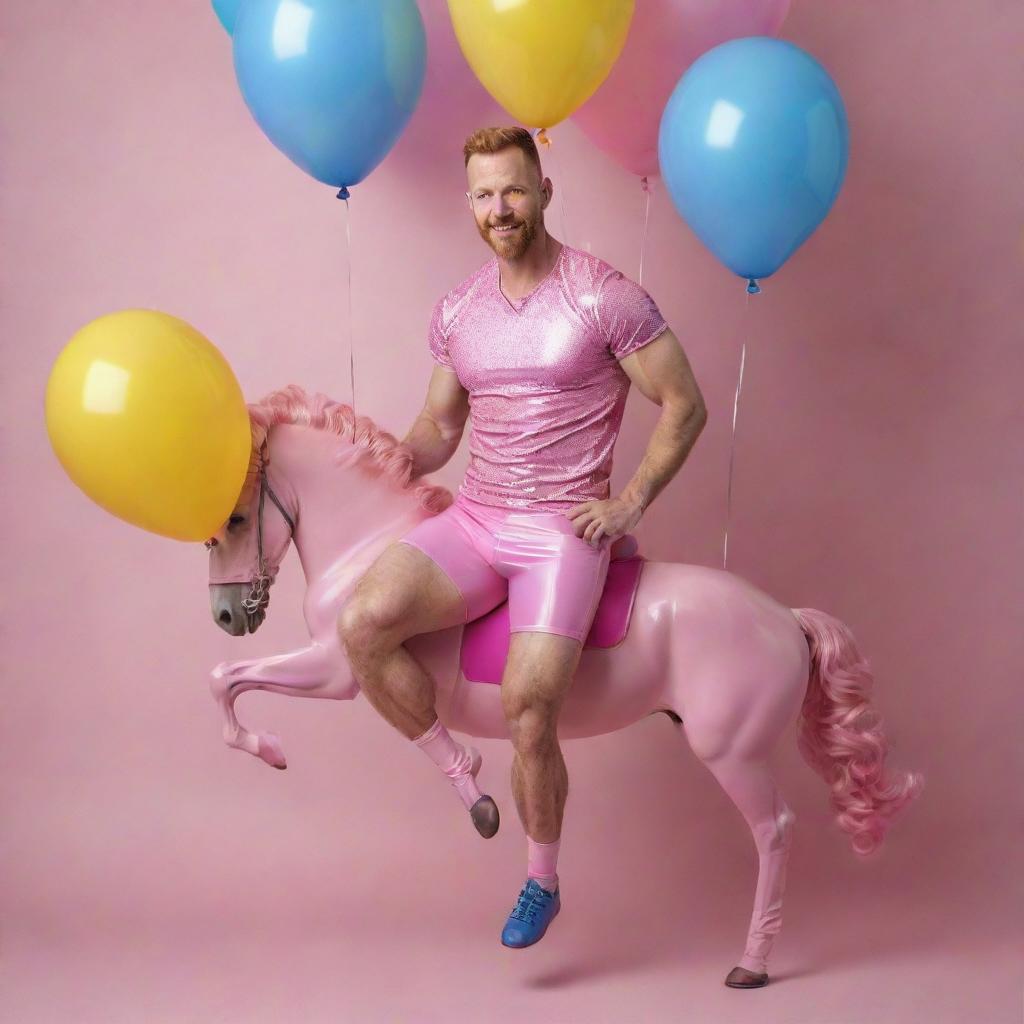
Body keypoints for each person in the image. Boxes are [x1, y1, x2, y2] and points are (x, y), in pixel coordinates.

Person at [338, 126, 707, 948]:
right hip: (475, 519)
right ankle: (455, 768)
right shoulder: (459, 309)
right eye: (482, 194)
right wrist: (399, 452)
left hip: (561, 533)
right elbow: (440, 423)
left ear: (544, 191)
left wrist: (633, 501)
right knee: (362, 622)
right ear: (468, 203)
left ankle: (541, 879)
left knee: (527, 707)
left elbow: (685, 403)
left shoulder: (603, 295)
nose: (498, 208)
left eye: (511, 189)